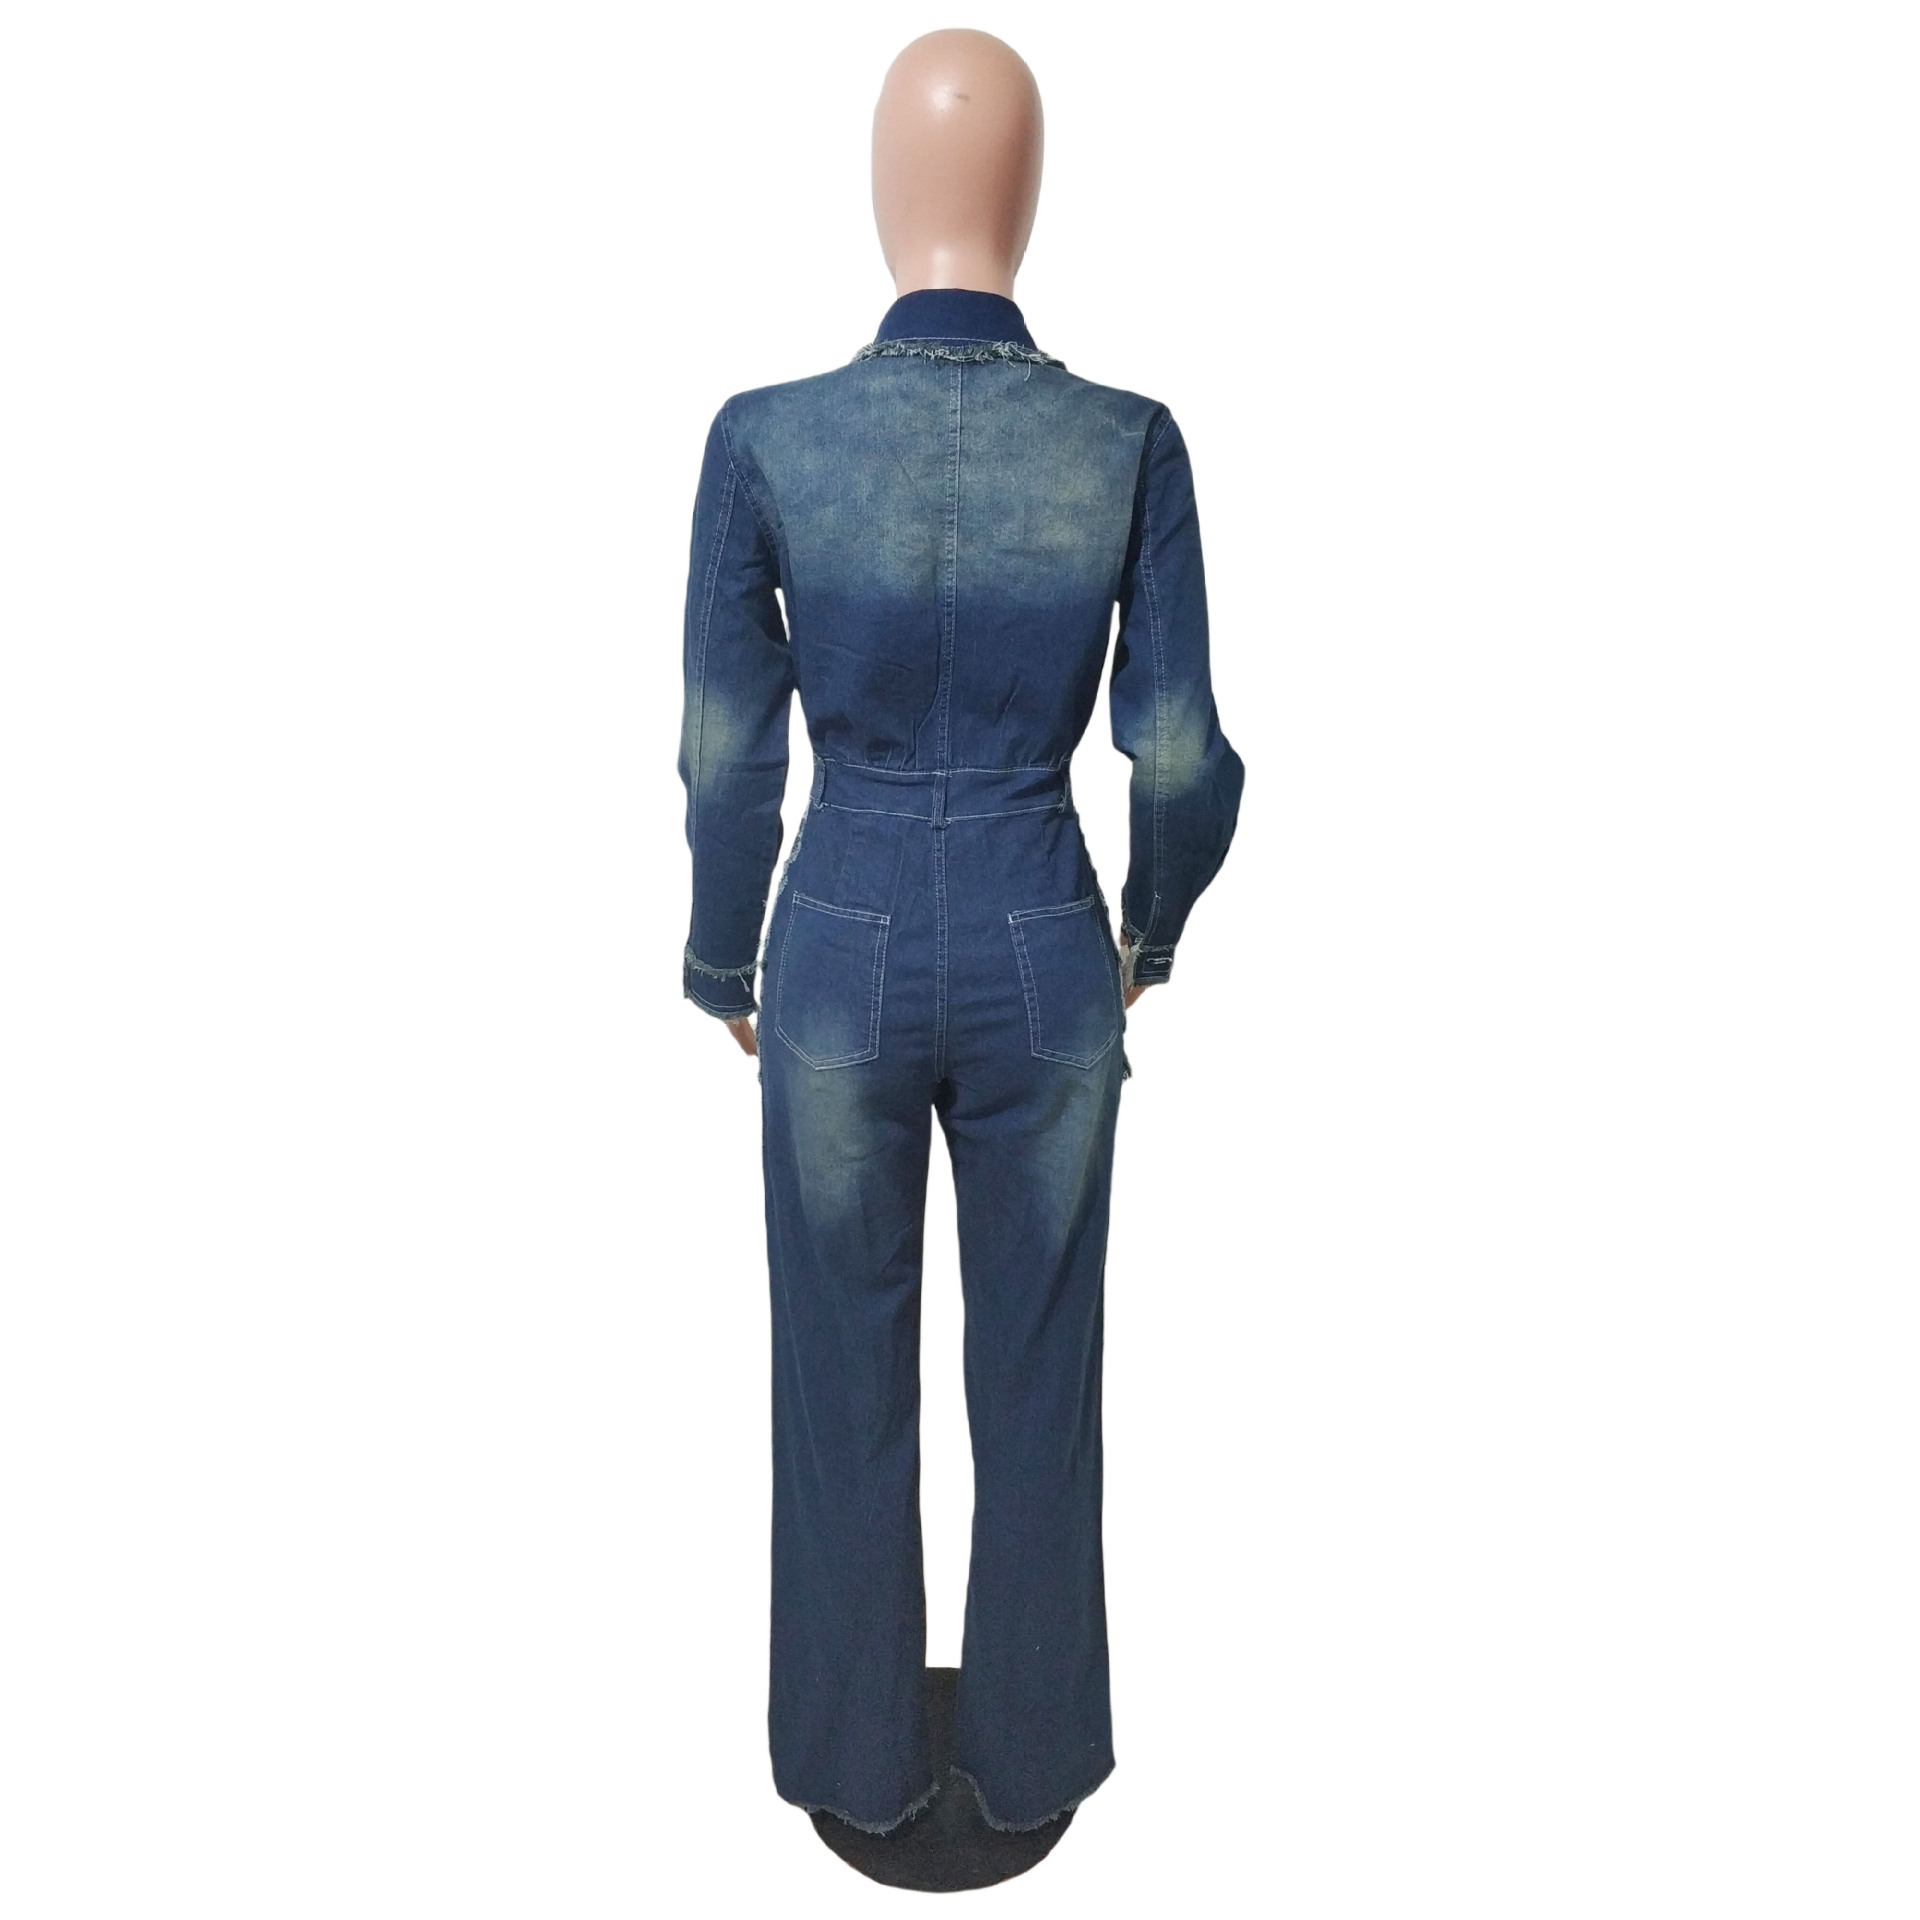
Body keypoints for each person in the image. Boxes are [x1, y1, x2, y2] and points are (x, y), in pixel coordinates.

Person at [676, 28, 1243, 1888]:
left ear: (882, 188)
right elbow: (1179, 755)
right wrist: (1146, 930)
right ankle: (1029, 1757)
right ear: (1030, 191)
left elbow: (725, 750)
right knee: (1041, 1373)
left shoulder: (765, 439)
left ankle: (852, 1757)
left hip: (834, 941)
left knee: (837, 1377)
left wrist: (723, 958)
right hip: (1039, 935)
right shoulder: (1128, 441)